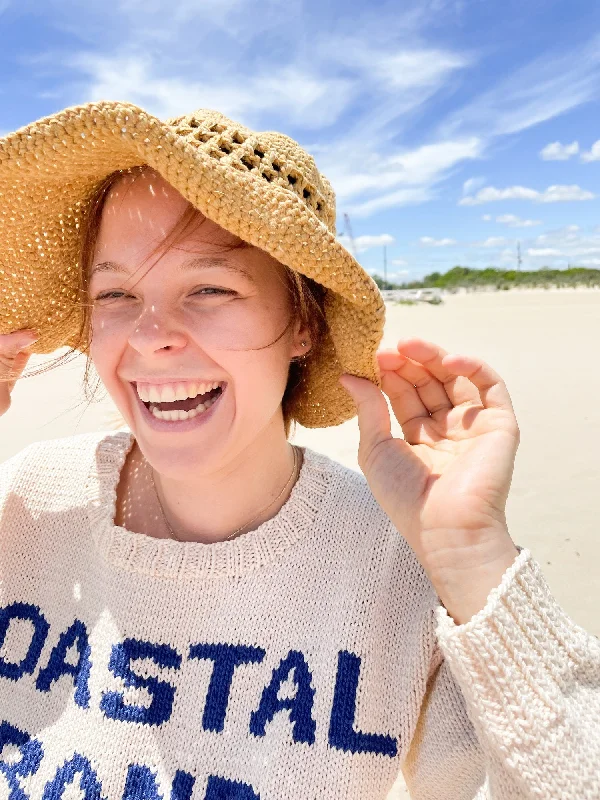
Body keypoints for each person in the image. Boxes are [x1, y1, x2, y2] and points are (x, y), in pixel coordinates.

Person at [0, 101, 598, 800]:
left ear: (303, 326)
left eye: (210, 287)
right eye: (117, 293)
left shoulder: (396, 568)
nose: (149, 335)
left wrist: (473, 555)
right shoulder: (32, 502)